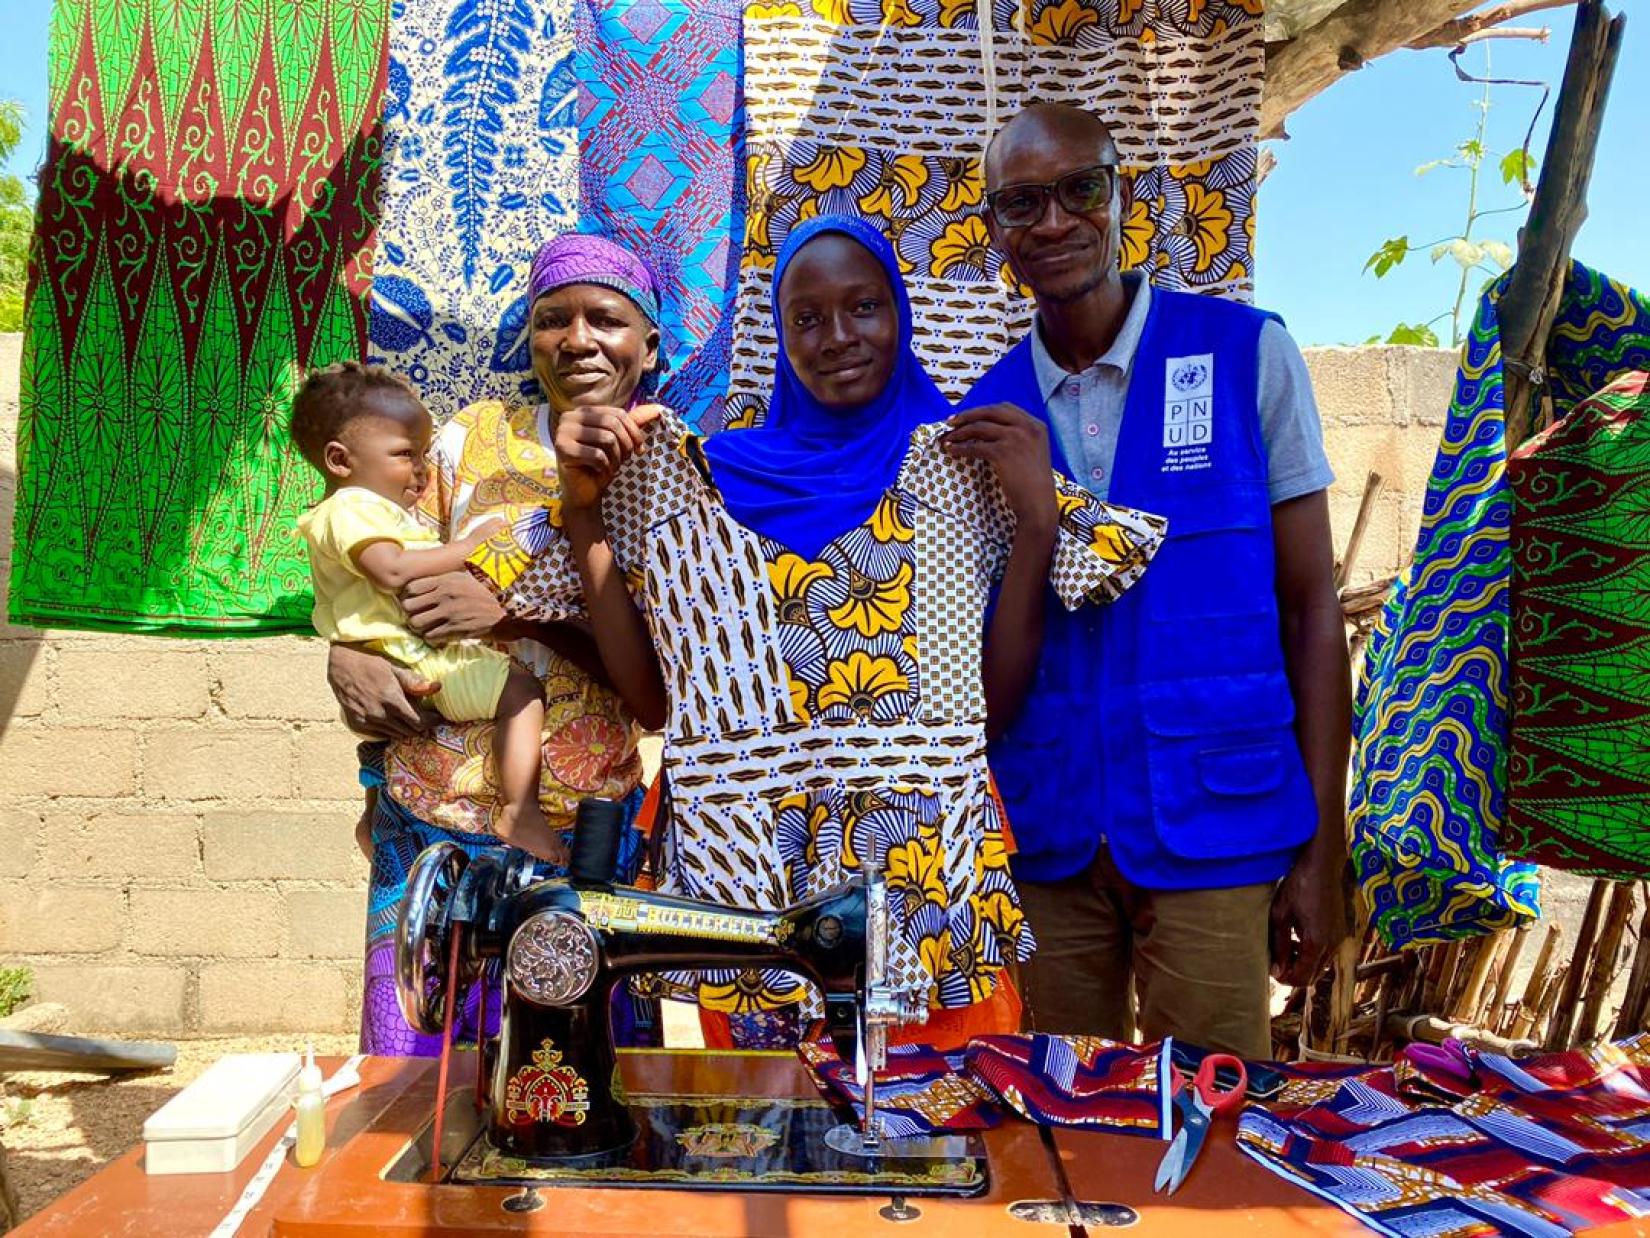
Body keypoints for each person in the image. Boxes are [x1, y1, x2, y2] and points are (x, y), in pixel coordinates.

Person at [531, 215, 1165, 1048]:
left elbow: (992, 710)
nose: (837, 337)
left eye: (863, 306)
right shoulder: (682, 483)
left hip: (929, 888)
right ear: (778, 333)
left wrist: (1039, 524)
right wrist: (584, 518)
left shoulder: (969, 468)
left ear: (900, 314)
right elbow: (658, 704)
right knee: (761, 1142)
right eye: (806, 317)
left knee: (948, 1132)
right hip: (745, 890)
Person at [961, 103, 1352, 1059]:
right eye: (1021, 204)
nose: (1053, 223)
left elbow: (1311, 611)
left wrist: (1323, 848)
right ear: (996, 233)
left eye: (1079, 190)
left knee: (1212, 1138)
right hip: (1048, 838)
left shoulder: (1246, 356)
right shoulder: (984, 417)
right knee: (1057, 1137)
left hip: (1218, 828)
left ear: (1122, 194)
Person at [324, 234, 667, 1054]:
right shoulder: (464, 443)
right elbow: (374, 571)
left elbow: (659, 692)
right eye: (553, 320)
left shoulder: (671, 470)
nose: (578, 340)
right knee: (411, 1096)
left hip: (579, 839)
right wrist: (348, 652)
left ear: (648, 346)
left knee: (573, 1090)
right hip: (429, 823)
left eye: (606, 320)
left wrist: (516, 615)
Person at [291, 363, 562, 865]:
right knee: (521, 692)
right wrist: (470, 547)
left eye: (423, 454)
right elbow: (392, 571)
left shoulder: (368, 507)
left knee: (386, 736)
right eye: (404, 455)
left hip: (394, 657)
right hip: (408, 655)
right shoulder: (353, 507)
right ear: (339, 459)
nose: (421, 470)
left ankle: (375, 812)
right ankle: (520, 808)